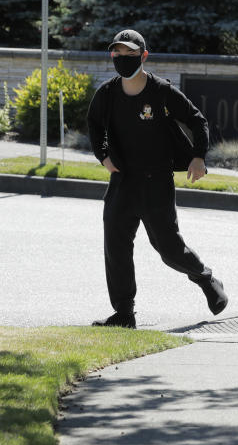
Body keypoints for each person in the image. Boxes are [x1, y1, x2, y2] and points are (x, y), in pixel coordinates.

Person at [86, 29, 228, 328]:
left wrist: (199, 156)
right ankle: (124, 314)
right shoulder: (108, 93)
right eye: (118, 54)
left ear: (144, 56)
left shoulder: (161, 91)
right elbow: (95, 126)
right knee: (116, 247)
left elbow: (196, 120)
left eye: (130, 54)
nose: (123, 59)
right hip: (123, 181)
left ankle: (205, 278)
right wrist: (104, 158)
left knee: (169, 249)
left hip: (156, 182)